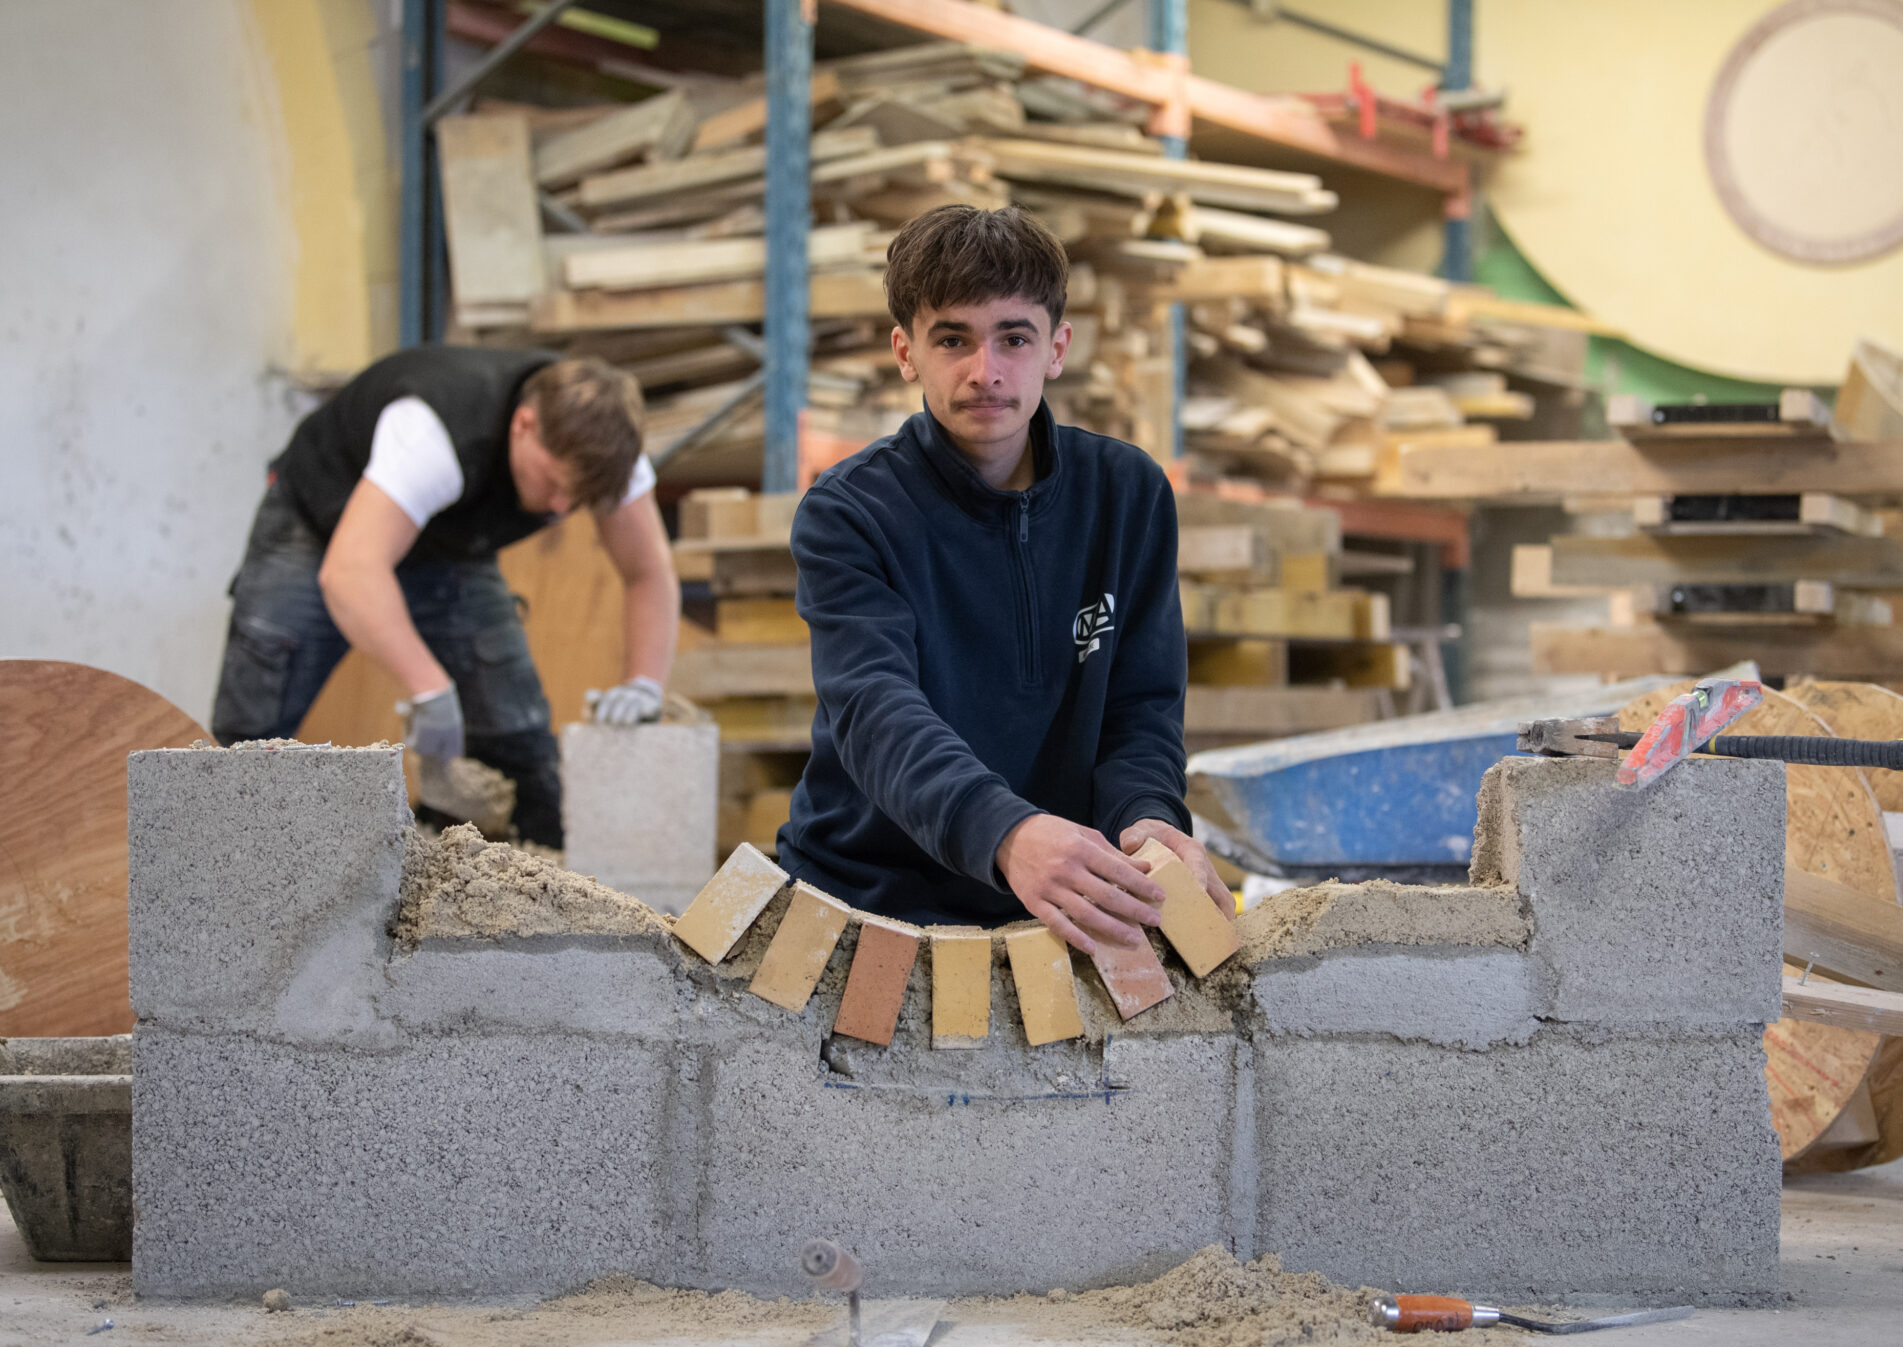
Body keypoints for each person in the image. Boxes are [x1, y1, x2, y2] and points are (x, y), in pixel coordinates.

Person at [778, 205, 1232, 953]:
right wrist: (1008, 831)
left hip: (1061, 905)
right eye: (952, 338)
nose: (985, 370)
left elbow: (1141, 708)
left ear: (1057, 348)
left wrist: (1148, 818)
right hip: (868, 902)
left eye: (1013, 338)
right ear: (905, 351)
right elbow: (875, 709)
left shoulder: (1127, 494)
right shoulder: (849, 512)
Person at [208, 345, 680, 847]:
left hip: (450, 547)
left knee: (516, 736)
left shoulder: (607, 460)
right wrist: (428, 688)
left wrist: (645, 684)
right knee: (249, 739)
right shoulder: (435, 432)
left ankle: (481, 885)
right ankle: (223, 873)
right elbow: (350, 572)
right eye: (554, 484)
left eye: (579, 499)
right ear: (523, 424)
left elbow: (647, 571)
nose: (562, 507)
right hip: (320, 525)